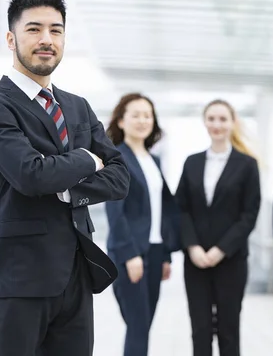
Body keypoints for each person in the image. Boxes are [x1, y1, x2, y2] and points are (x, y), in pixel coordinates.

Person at [0, 0, 130, 356]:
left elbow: (121, 176)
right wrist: (89, 159)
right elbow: (30, 175)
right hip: (19, 276)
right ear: (11, 39)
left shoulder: (78, 106)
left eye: (56, 30)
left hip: (76, 271)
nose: (47, 39)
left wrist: (68, 188)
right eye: (34, 29)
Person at [175, 99, 261, 356]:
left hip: (231, 260)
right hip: (196, 260)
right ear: (204, 122)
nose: (217, 124)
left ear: (233, 122)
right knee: (200, 329)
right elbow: (181, 209)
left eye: (223, 119)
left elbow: (250, 213)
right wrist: (192, 247)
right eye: (211, 118)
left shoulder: (247, 165)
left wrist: (221, 249)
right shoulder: (192, 162)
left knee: (228, 329)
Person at [104, 93, 180, 356]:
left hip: (156, 252)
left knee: (143, 326)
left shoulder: (154, 160)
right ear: (121, 121)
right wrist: (130, 254)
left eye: (147, 115)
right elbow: (115, 212)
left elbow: (162, 212)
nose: (142, 120)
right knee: (137, 326)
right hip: (130, 253)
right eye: (135, 115)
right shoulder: (115, 158)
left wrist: (167, 254)